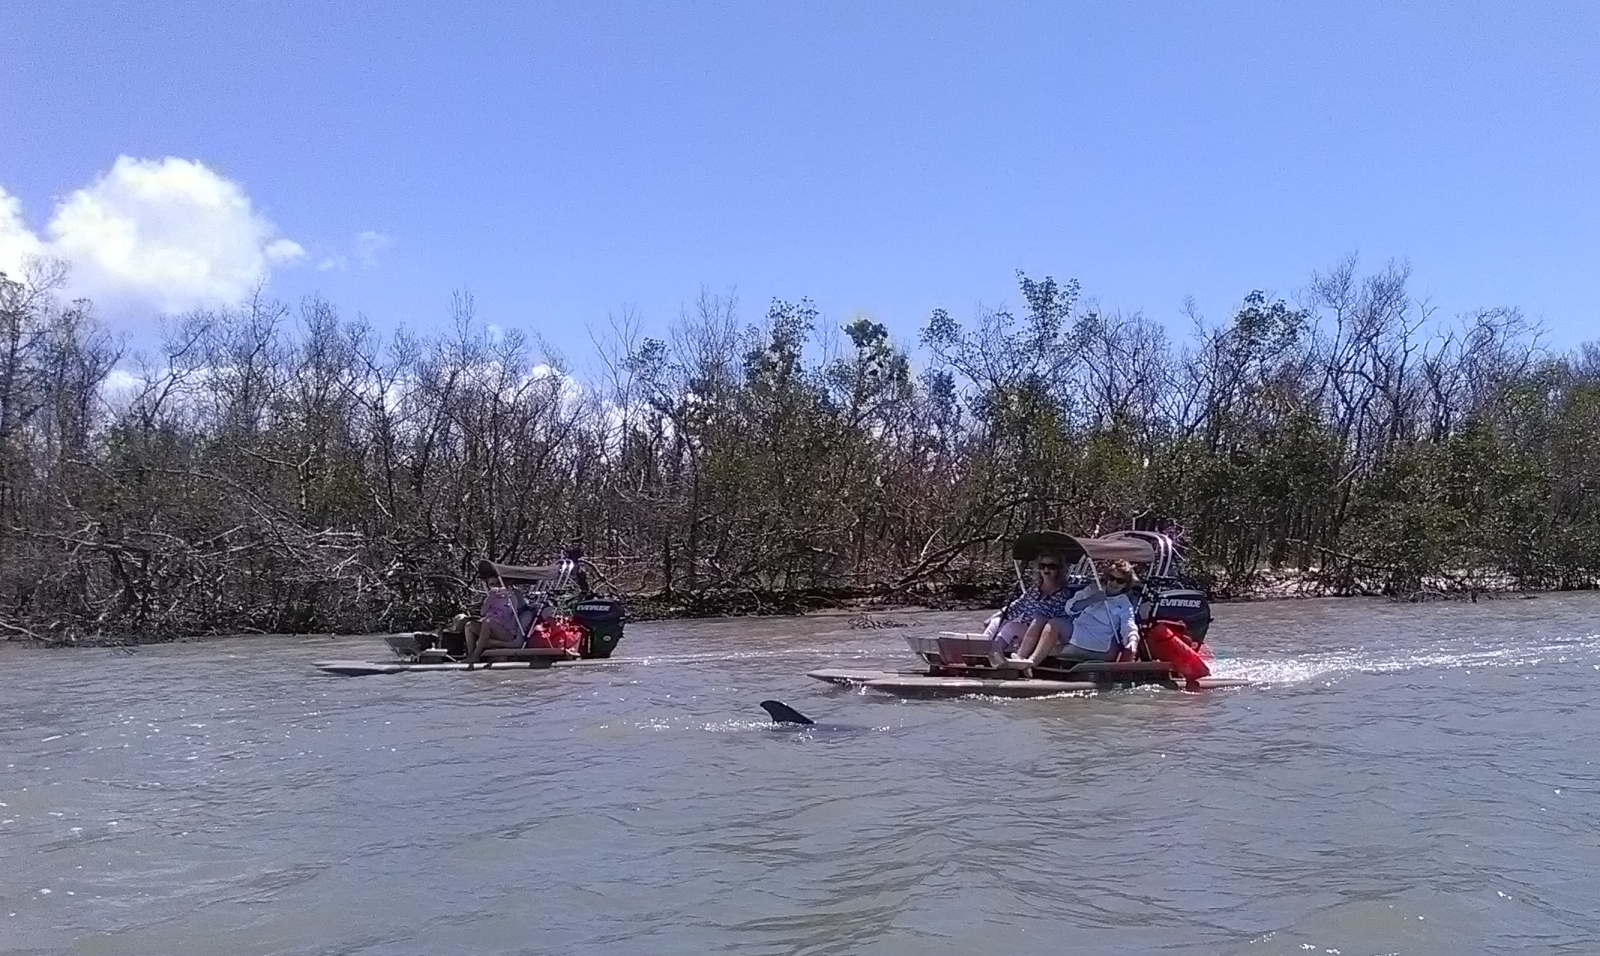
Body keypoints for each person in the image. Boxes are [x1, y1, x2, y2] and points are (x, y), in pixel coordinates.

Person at [1010, 558, 1140, 670]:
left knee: (1055, 624)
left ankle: (1032, 662)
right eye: (1112, 578)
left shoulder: (1124, 604)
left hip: (1096, 640)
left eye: (1120, 581)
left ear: (1126, 584)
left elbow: (1128, 625)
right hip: (1078, 628)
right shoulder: (1094, 589)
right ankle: (1019, 657)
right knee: (1040, 619)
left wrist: (1132, 641)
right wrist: (1092, 599)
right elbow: (1070, 607)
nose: (1114, 583)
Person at [995, 553, 1073, 660]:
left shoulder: (1063, 594)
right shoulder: (1035, 589)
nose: (1046, 569)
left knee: (1021, 624)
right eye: (1042, 565)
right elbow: (1018, 606)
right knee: (996, 621)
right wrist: (999, 614)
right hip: (1028, 627)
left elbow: (1047, 618)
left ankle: (1018, 657)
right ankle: (984, 653)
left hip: (1046, 633)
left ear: (1059, 569)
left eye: (1052, 566)